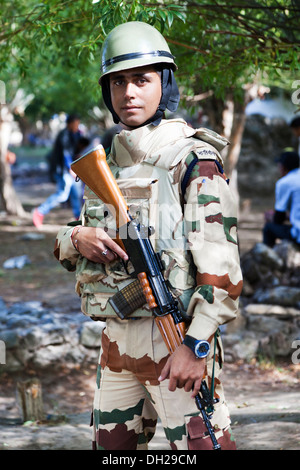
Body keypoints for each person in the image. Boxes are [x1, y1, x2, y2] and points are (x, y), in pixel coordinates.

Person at [54, 21, 243, 450]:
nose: (129, 93)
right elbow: (67, 240)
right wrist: (78, 237)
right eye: (117, 82)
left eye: (142, 79)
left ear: (165, 84)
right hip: (117, 347)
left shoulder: (193, 160)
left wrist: (195, 347)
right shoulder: (108, 165)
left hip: (177, 342)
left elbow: (224, 272)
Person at [32, 114, 83, 228]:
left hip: (73, 170)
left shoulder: (76, 134)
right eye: (75, 124)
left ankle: (79, 219)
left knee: (76, 195)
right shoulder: (63, 135)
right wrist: (70, 169)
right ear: (69, 124)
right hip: (63, 170)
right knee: (63, 195)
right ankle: (40, 211)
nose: (76, 126)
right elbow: (65, 154)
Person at [263, 151, 300, 247]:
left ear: (283, 167)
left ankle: (269, 258)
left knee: (268, 228)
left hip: (298, 234)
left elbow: (279, 218)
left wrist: (271, 217)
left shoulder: (284, 182)